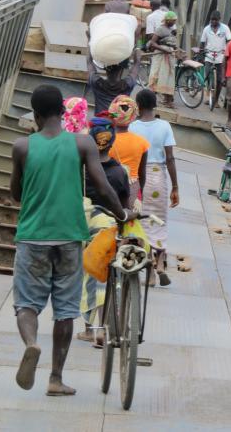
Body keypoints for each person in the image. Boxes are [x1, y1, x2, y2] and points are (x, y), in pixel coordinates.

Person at [10, 84, 132, 397]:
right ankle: (55, 378)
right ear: (64, 113)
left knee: (26, 304)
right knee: (64, 310)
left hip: (33, 236)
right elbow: (103, 187)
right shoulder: (82, 144)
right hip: (69, 236)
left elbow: (15, 194)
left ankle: (32, 344)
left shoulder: (22, 147)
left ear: (35, 115)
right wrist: (121, 215)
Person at [79, 116, 130, 346]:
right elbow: (124, 206)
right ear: (112, 141)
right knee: (104, 279)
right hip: (108, 231)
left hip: (80, 229)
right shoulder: (119, 173)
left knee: (87, 279)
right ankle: (106, 326)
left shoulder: (81, 170)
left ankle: (91, 329)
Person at [129, 89, 179, 286]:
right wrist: (175, 187)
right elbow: (171, 158)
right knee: (159, 221)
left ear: (138, 106)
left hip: (139, 178)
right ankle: (160, 264)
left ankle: (148, 273)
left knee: (142, 222)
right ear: (154, 105)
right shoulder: (164, 126)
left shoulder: (132, 127)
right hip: (159, 177)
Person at [108, 95, 149, 208]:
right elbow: (142, 174)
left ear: (112, 114)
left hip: (109, 186)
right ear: (132, 117)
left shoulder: (105, 140)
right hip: (132, 188)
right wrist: (140, 194)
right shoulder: (142, 142)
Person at [87, 48, 141, 114]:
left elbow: (89, 61)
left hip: (100, 123)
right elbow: (137, 63)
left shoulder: (96, 83)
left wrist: (90, 42)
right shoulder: (127, 85)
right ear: (122, 69)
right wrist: (137, 49)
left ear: (105, 68)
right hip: (120, 124)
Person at [200, 10, 231, 109]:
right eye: (211, 20)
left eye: (215, 20)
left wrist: (228, 53)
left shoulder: (225, 28)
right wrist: (201, 55)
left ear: (219, 20)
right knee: (207, 76)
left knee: (219, 80)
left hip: (220, 56)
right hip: (209, 55)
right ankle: (208, 97)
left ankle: (216, 100)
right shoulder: (206, 29)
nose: (213, 22)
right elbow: (202, 42)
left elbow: (230, 41)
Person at [148, 11, 178, 108]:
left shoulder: (171, 29)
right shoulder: (160, 29)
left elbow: (172, 42)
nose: (174, 23)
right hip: (160, 56)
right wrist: (163, 49)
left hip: (169, 57)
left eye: (175, 21)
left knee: (169, 77)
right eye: (173, 21)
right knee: (156, 76)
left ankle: (168, 101)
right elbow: (152, 43)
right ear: (167, 20)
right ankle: (151, 101)